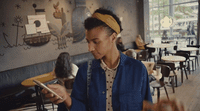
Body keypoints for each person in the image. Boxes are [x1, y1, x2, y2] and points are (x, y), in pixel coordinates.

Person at [42, 8, 152, 111]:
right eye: (88, 41)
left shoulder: (137, 69)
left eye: (95, 41)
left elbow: (148, 107)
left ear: (113, 37)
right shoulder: (85, 72)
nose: (90, 48)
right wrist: (66, 98)